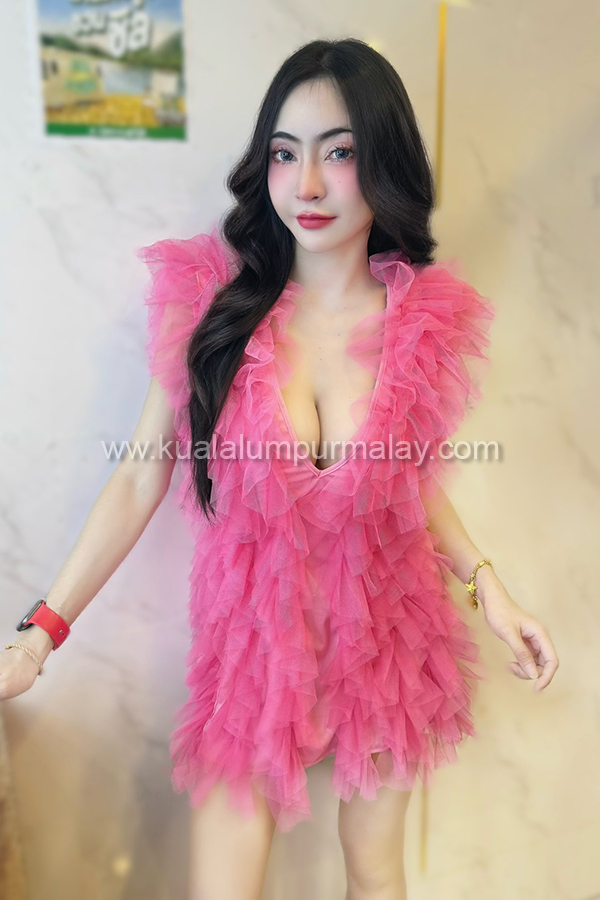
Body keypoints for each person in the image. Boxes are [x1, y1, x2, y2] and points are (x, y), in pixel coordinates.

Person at [1, 38, 559, 900]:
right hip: (253, 647)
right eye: (285, 153)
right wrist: (41, 633)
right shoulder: (212, 309)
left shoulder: (421, 326)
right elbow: (138, 479)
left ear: (383, 161)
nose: (307, 186)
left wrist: (492, 589)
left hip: (385, 639)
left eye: (339, 152)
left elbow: (406, 484)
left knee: (376, 874)